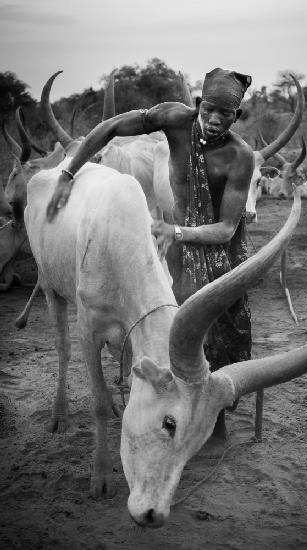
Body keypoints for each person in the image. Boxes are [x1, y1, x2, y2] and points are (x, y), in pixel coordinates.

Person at [47, 68, 255, 441]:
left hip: (220, 253)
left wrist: (176, 231)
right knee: (173, 333)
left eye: (225, 114)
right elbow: (111, 128)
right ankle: (169, 413)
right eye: (208, 109)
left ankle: (214, 425)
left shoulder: (240, 157)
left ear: (236, 117)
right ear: (197, 105)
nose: (214, 119)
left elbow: (225, 229)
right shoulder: (173, 119)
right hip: (177, 248)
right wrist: (68, 173)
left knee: (221, 337)